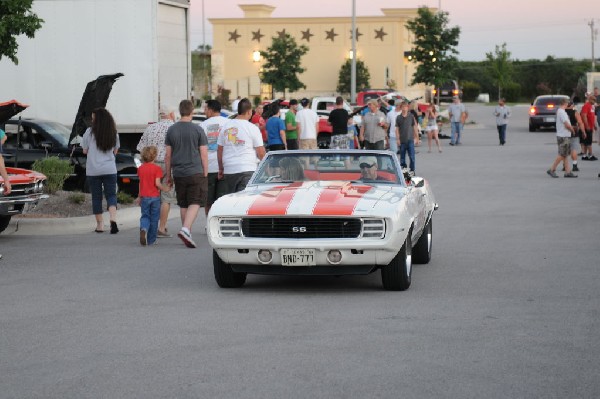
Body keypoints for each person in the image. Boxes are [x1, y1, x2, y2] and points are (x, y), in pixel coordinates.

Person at [164, 99, 209, 248]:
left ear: (180, 110)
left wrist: (168, 175)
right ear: (192, 112)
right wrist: (206, 171)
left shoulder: (172, 130)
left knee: (183, 203)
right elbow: (203, 154)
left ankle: (187, 232)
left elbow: (168, 155)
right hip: (195, 171)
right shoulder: (198, 130)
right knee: (195, 202)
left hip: (178, 172)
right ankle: (185, 229)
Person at [136, 105, 177, 237]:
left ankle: (147, 225)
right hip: (167, 164)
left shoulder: (151, 127)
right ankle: (161, 227)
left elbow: (141, 147)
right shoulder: (174, 128)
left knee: (151, 194)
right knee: (166, 197)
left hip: (150, 164)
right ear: (171, 114)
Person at [82, 108, 121, 234]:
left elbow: (85, 151)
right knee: (111, 195)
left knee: (96, 197)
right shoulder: (113, 133)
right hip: (110, 169)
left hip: (93, 170)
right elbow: (115, 151)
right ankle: (113, 219)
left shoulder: (89, 132)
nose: (92, 121)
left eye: (93, 118)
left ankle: (100, 225)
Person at [217, 98, 266, 193]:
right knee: (244, 202)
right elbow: (261, 152)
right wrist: (265, 168)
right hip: (247, 169)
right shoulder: (252, 128)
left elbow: (220, 150)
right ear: (248, 112)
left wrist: (221, 169)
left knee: (232, 201)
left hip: (229, 170)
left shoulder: (226, 127)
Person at [136, 146, 171, 246]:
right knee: (154, 218)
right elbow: (157, 184)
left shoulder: (141, 169)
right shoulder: (157, 169)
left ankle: (143, 228)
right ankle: (151, 240)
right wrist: (165, 188)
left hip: (144, 197)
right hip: (155, 197)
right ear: (154, 156)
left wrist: (139, 196)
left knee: (145, 216)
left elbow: (140, 183)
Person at [199, 99, 229, 216]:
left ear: (211, 110)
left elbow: (199, 147)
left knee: (209, 200)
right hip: (225, 166)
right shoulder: (228, 123)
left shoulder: (203, 125)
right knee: (222, 200)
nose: (205, 112)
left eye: (206, 109)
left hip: (209, 167)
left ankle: (209, 223)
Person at [547, 98, 577, 178]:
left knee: (565, 155)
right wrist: (572, 130)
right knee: (562, 154)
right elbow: (566, 124)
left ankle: (567, 172)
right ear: (565, 103)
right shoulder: (562, 112)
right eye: (568, 103)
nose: (568, 104)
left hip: (561, 135)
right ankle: (552, 169)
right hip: (564, 136)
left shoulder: (560, 111)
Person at [395, 101, 419, 173]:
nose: (404, 108)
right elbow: (397, 129)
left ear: (407, 108)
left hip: (410, 140)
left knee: (412, 157)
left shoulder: (411, 116)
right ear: (401, 108)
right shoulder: (398, 117)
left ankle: (412, 171)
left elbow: (414, 127)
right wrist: (398, 139)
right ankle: (404, 171)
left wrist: (417, 137)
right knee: (402, 158)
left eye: (405, 107)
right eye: (403, 107)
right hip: (402, 140)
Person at [563, 101, 585, 172]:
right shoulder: (575, 112)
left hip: (564, 132)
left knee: (565, 150)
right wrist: (583, 131)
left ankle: (564, 166)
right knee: (574, 149)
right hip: (574, 132)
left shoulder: (562, 112)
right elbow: (580, 122)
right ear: (572, 105)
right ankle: (574, 165)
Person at [579, 95, 597, 161]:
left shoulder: (592, 106)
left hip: (591, 126)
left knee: (586, 142)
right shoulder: (586, 105)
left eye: (595, 100)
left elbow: (592, 116)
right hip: (587, 127)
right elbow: (584, 116)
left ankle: (584, 155)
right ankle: (590, 155)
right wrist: (587, 126)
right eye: (593, 100)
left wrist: (594, 125)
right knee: (589, 142)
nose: (594, 101)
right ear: (589, 99)